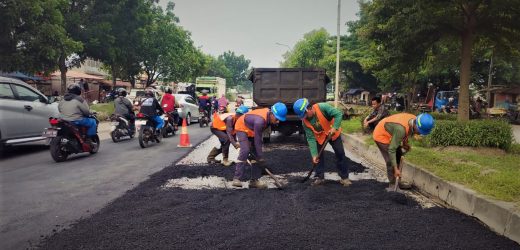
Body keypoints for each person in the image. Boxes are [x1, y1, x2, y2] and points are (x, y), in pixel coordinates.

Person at [293, 98, 351, 187]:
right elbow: (310, 138)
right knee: (318, 158)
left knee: (340, 153)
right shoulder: (305, 122)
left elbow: (338, 114)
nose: (304, 117)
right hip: (320, 137)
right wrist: (314, 155)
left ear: (309, 108)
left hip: (333, 133)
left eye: (304, 114)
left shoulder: (323, 107)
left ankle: (344, 178)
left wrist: (334, 127)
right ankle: (320, 177)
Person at [373, 113, 435, 190]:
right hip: (381, 135)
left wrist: (405, 143)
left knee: (399, 155)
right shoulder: (400, 129)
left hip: (393, 134)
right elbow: (391, 150)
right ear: (416, 125)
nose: (419, 133)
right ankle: (392, 185)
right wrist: (395, 169)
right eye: (420, 131)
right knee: (390, 161)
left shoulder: (415, 120)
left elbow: (407, 131)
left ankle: (397, 182)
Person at [232, 102, 288, 188]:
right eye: (277, 119)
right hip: (242, 127)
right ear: (272, 114)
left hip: (252, 129)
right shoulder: (260, 121)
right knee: (245, 150)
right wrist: (261, 157)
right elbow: (258, 139)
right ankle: (237, 178)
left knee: (255, 154)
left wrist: (258, 156)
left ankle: (254, 181)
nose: (278, 121)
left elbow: (257, 139)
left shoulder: (268, 117)